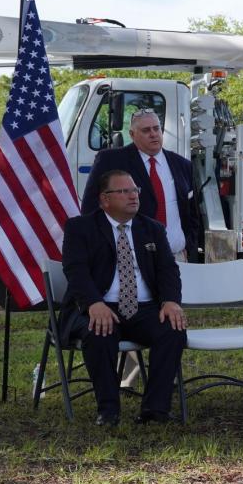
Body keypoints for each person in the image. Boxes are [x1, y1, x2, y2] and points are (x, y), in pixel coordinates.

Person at [61, 170, 187, 426]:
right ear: (104, 199)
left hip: (144, 308)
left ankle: (154, 410)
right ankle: (108, 411)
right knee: (99, 332)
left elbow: (167, 269)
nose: (133, 196)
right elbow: (76, 270)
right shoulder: (81, 228)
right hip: (99, 305)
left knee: (172, 330)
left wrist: (170, 301)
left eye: (135, 190)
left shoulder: (151, 228)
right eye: (124, 191)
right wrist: (93, 303)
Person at [81, 108, 201, 262]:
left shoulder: (182, 165)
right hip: (130, 261)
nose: (153, 134)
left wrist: (188, 248)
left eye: (156, 128)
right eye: (146, 130)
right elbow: (90, 209)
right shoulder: (110, 160)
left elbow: (193, 215)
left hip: (176, 258)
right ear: (132, 134)